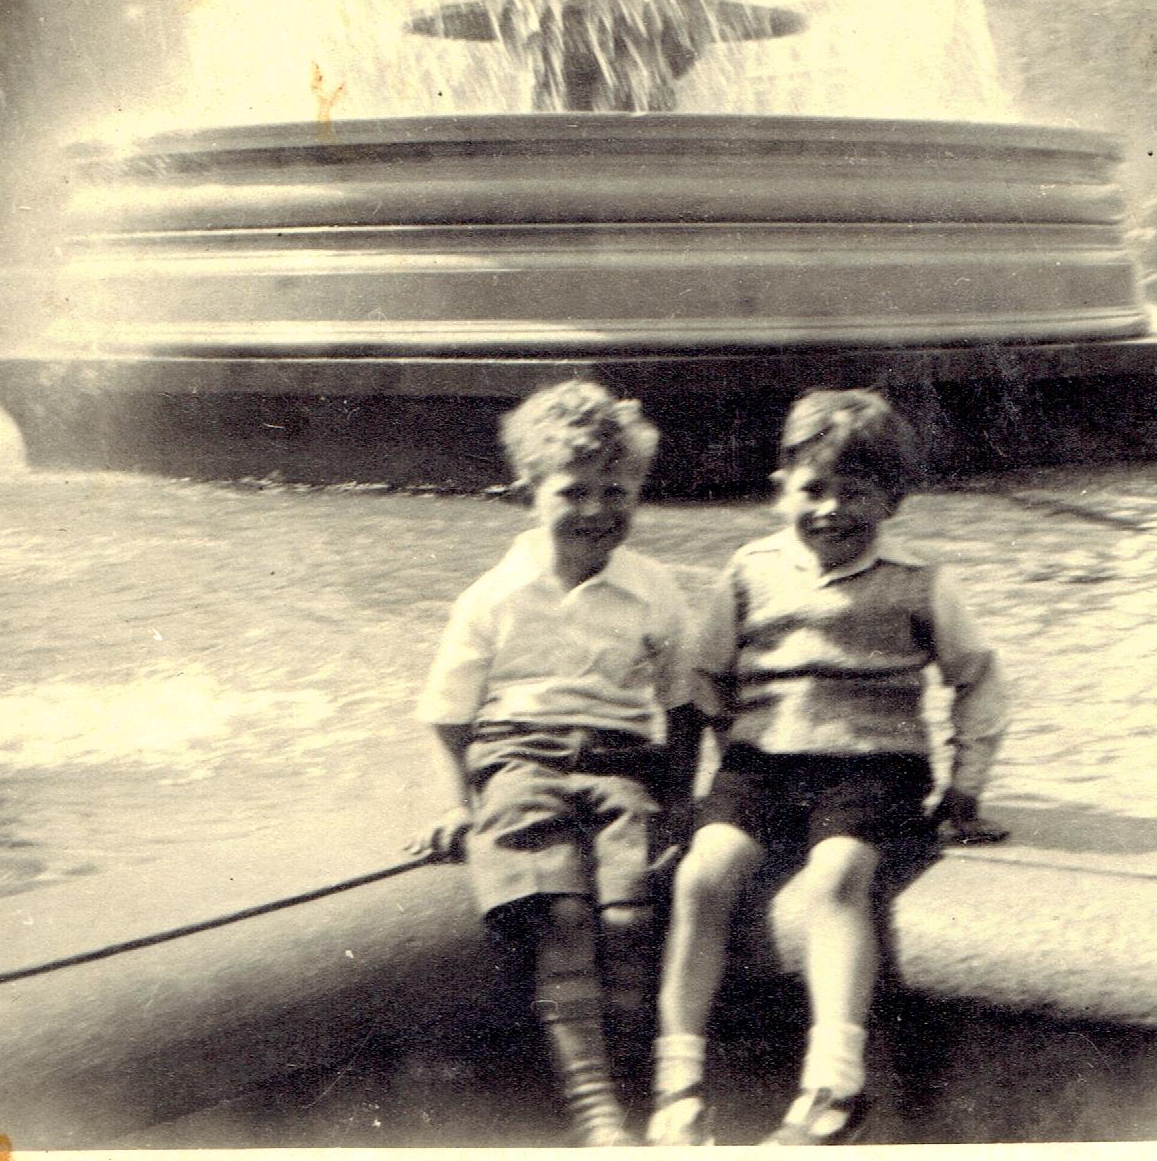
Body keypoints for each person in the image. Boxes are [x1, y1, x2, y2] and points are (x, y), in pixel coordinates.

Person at [648, 390, 1009, 1147]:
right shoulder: (749, 571)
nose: (832, 510)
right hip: (762, 762)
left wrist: (965, 785)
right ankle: (677, 1082)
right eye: (813, 489)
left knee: (838, 878)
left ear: (894, 500)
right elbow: (706, 672)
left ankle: (834, 1083)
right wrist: (729, 741)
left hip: (872, 765)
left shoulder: (920, 581)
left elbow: (976, 676)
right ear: (783, 489)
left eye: (857, 492)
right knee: (701, 875)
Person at [408, 380, 703, 1148]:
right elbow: (448, 714)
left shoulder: (653, 589)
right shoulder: (493, 596)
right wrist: (456, 805)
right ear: (528, 493)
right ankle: (595, 1107)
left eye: (618, 490)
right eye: (575, 491)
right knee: (562, 914)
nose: (599, 510)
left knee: (631, 914)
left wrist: (678, 802)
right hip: (517, 757)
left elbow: (681, 707)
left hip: (619, 762)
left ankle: (638, 1085)